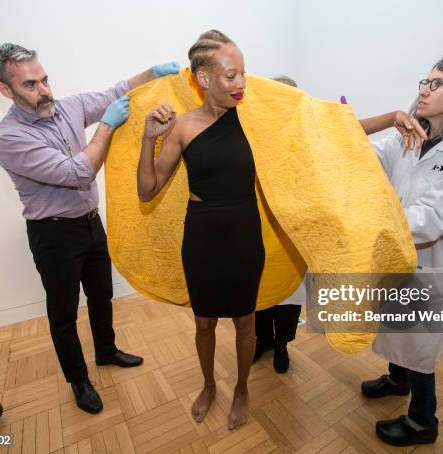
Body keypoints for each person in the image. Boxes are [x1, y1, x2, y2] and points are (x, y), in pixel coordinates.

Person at [0, 43, 179, 414]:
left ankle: (106, 351)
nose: (44, 91)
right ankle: (78, 380)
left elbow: (114, 92)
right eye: (30, 85)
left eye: (44, 80)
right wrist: (106, 127)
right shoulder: (9, 138)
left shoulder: (67, 107)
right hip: (53, 234)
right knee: (63, 315)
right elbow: (77, 173)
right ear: (4, 90)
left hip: (90, 223)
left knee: (102, 294)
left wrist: (153, 72)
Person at [358, 53, 443, 446]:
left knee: (418, 338)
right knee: (394, 317)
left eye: (437, 84)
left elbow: (432, 216)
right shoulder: (408, 136)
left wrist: (374, 222)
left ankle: (423, 421)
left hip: (434, 260)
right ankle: (397, 379)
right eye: (425, 80)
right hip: (398, 252)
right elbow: (366, 159)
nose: (424, 89)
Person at [137, 30, 261, 430]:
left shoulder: (258, 121)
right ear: (204, 79)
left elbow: (321, 133)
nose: (240, 83)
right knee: (204, 321)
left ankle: (242, 386)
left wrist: (390, 119)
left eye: (243, 73)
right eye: (231, 75)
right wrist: (147, 139)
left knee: (245, 321)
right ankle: (209, 384)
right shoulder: (183, 126)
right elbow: (147, 189)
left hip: (244, 233)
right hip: (203, 237)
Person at [252, 75, 304, 374]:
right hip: (259, 229)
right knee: (260, 292)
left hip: (290, 234)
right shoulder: (256, 134)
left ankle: (282, 343)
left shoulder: (301, 137)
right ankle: (263, 341)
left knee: (287, 295)